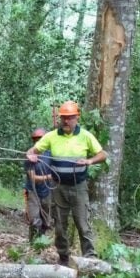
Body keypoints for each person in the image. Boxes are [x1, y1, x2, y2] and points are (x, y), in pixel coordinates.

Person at [26, 101, 107, 266]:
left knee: (82, 222)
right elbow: (32, 151)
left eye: (69, 118)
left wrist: (90, 161)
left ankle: (89, 259)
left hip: (79, 186)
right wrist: (31, 155)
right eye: (63, 118)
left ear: (77, 117)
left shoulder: (85, 136)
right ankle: (63, 258)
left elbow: (102, 154)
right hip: (58, 186)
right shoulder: (51, 136)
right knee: (60, 224)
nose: (66, 121)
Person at [24, 128, 53, 242]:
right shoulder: (29, 157)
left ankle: (41, 241)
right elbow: (33, 178)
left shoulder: (51, 155)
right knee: (35, 220)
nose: (38, 141)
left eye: (40, 139)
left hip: (47, 191)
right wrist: (50, 177)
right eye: (36, 139)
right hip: (32, 192)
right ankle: (33, 243)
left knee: (46, 221)